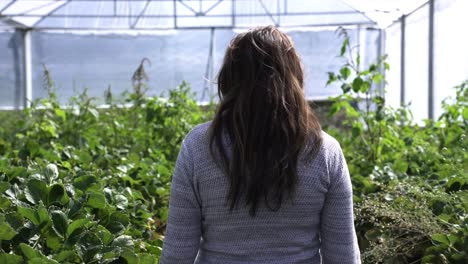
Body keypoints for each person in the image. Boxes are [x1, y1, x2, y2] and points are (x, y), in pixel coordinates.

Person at [160, 26, 360, 264]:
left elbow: (177, 254)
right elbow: (343, 257)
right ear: (294, 77)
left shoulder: (199, 146)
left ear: (229, 79)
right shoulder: (325, 151)